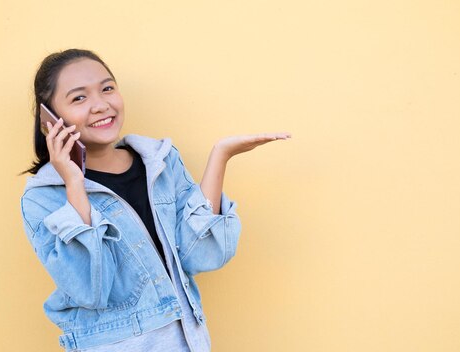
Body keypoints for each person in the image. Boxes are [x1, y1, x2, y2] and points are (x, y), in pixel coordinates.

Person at [20, 48, 290, 352]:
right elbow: (89, 289)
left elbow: (201, 255)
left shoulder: (159, 162)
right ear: (50, 120)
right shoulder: (43, 197)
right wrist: (73, 182)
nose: (100, 105)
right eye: (79, 98)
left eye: (107, 88)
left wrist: (221, 156)